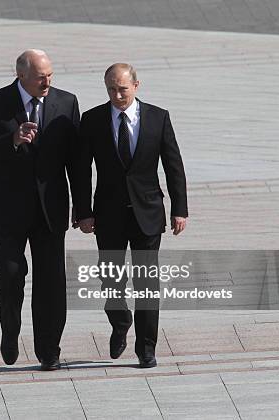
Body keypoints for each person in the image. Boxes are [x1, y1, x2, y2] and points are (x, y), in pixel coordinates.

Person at [0, 49, 81, 371]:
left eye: (50, 75)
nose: (47, 82)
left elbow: (76, 160)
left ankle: (49, 350)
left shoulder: (66, 102)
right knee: (10, 275)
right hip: (7, 208)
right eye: (39, 77)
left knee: (51, 283)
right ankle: (10, 328)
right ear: (21, 77)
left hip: (50, 209)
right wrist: (11, 141)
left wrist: (84, 207)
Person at [74, 63, 188, 368]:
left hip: (148, 213)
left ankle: (146, 347)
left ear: (136, 86)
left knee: (146, 282)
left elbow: (173, 165)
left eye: (122, 88)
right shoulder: (93, 120)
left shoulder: (157, 117)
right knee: (110, 275)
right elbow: (82, 170)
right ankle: (120, 319)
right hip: (108, 214)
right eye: (111, 88)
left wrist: (180, 209)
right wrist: (82, 211)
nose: (117, 94)